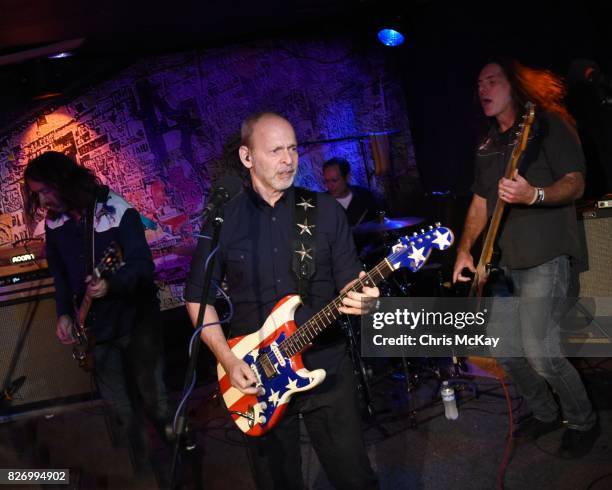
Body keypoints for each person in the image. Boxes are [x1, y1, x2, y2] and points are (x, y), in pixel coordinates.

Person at [185, 112, 379, 489]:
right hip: (256, 374)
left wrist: (366, 300)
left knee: (355, 477)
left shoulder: (323, 210)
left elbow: (349, 283)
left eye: (292, 149)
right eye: (275, 150)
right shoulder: (224, 220)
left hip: (326, 361)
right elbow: (197, 298)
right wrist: (226, 358)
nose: (288, 160)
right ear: (247, 157)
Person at [452, 59, 599, 458]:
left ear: (514, 86)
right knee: (504, 350)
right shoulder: (487, 143)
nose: (483, 88)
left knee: (541, 351)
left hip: (546, 257)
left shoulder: (547, 122)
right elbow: (481, 201)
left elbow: (575, 181)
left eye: (492, 80)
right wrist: (465, 249)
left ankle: (583, 420)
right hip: (503, 262)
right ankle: (544, 411)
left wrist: (534, 194)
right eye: (478, 82)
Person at [24, 151, 172, 474]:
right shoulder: (55, 223)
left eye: (44, 191)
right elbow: (60, 274)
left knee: (156, 399)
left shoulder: (116, 210)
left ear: (62, 181)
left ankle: (176, 467)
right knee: (120, 407)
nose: (42, 200)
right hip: (98, 330)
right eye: (37, 194)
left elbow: (142, 268)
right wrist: (65, 313)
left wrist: (111, 285)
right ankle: (145, 472)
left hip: (136, 321)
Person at [322, 157, 383, 227]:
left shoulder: (366, 196)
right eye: (327, 181)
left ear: (347, 177)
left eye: (334, 180)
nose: (330, 185)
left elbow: (383, 223)